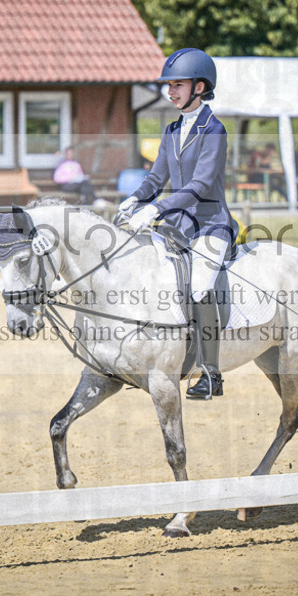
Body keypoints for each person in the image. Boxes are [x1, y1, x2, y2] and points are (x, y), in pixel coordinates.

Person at [119, 47, 236, 400]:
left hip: (211, 223)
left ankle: (211, 374)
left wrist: (156, 210)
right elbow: (156, 177)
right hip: (178, 224)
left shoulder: (214, 131)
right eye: (168, 85)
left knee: (199, 285)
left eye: (177, 84)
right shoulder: (171, 130)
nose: (170, 91)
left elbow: (199, 186)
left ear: (199, 87)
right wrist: (135, 198)